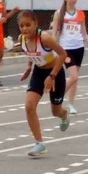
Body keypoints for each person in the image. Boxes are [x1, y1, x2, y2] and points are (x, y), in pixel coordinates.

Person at [18, 10, 70, 157]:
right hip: (38, 73)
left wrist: (52, 76)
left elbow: (63, 54)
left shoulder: (45, 38)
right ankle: (39, 143)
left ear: (36, 24)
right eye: (21, 26)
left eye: (28, 25)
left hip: (55, 72)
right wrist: (29, 66)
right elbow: (32, 53)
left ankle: (64, 115)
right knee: (29, 106)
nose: (25, 29)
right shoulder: (22, 39)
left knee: (55, 111)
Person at [51, 0, 88, 114]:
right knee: (74, 76)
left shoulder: (81, 14)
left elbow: (84, 33)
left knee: (75, 79)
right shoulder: (58, 14)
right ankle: (58, 97)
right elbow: (54, 33)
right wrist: (54, 48)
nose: (73, 0)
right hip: (66, 49)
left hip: (79, 48)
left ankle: (70, 104)